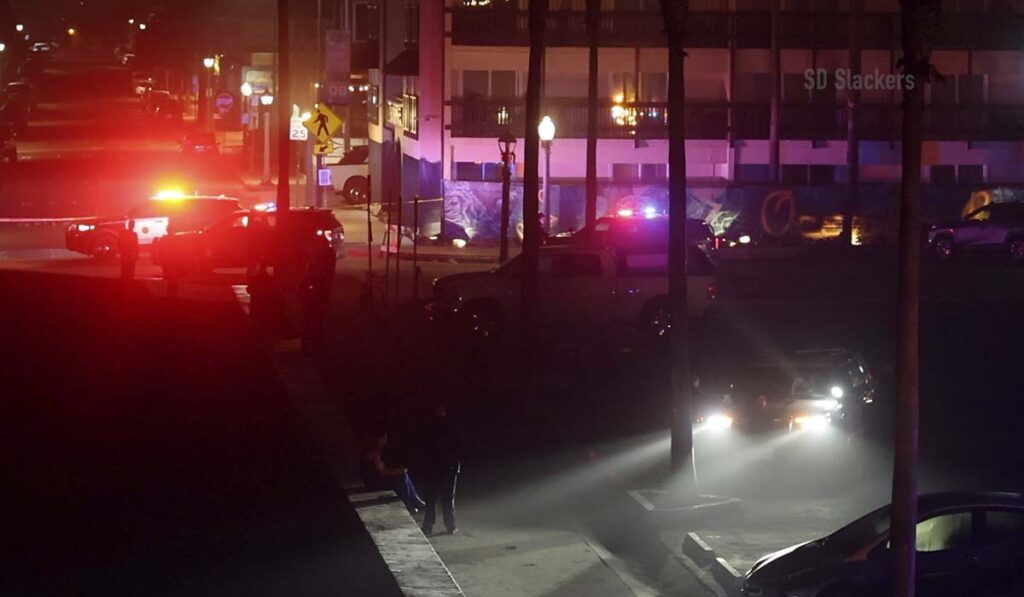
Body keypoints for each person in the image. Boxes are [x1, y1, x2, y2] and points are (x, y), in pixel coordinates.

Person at [420, 405, 461, 536]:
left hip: (432, 468)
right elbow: (459, 447)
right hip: (449, 467)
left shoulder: (427, 427)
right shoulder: (452, 426)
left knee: (431, 499)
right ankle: (450, 525)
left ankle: (428, 525)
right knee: (448, 498)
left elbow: (423, 448)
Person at [361, 431, 425, 513]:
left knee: (404, 475)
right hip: (374, 482)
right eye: (384, 438)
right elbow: (381, 472)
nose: (386, 440)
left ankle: (415, 500)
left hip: (378, 478)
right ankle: (410, 504)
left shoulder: (377, 451)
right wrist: (396, 472)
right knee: (401, 479)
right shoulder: (374, 452)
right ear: (380, 440)